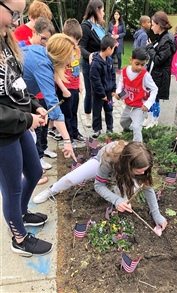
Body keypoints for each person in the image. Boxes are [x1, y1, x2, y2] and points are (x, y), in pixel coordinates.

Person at [0, 0, 53, 256]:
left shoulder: (7, 41)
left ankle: (20, 214)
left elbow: (17, 85)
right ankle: (19, 237)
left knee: (34, 172)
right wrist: (27, 120)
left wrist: (34, 106)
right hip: (3, 134)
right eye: (14, 13)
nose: (18, 21)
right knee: (12, 188)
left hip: (18, 124)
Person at [33, 140, 167, 231]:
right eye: (139, 171)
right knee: (70, 179)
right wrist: (116, 200)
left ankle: (119, 197)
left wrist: (156, 214)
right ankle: (52, 190)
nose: (143, 173)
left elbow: (148, 187)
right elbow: (98, 185)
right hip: (102, 161)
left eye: (144, 170)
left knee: (126, 196)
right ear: (128, 165)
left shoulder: (141, 164)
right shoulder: (108, 160)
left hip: (125, 171)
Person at [22, 33, 77, 162]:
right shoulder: (42, 65)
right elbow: (53, 106)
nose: (71, 60)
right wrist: (67, 141)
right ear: (62, 56)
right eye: (70, 56)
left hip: (24, 98)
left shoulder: (42, 51)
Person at [19, 17, 57, 173]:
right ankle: (33, 161)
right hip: (25, 100)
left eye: (48, 41)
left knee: (41, 128)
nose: (45, 44)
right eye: (43, 39)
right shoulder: (24, 50)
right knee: (32, 131)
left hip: (36, 97)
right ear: (34, 32)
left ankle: (40, 153)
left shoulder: (44, 56)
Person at [115, 47, 158, 142]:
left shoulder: (145, 75)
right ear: (131, 60)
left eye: (143, 65)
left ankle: (137, 147)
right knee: (123, 122)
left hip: (140, 107)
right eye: (137, 64)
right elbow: (121, 82)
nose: (139, 67)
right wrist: (118, 92)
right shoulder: (125, 71)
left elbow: (154, 89)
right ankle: (128, 135)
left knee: (136, 126)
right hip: (128, 105)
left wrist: (148, 104)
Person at [56, 18, 85, 145]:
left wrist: (80, 83)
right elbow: (56, 73)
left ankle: (75, 131)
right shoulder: (62, 51)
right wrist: (63, 89)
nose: (76, 43)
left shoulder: (77, 50)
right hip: (65, 88)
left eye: (78, 40)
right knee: (66, 113)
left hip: (74, 87)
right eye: (74, 39)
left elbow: (77, 68)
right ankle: (67, 135)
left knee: (74, 111)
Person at [145, 11, 176, 128]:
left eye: (153, 24)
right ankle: (149, 118)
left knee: (155, 97)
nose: (152, 27)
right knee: (149, 96)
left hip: (160, 75)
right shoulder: (161, 37)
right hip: (154, 73)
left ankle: (154, 121)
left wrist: (149, 48)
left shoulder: (168, 40)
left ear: (159, 24)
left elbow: (159, 59)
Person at [79, 0, 105, 128]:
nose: (104, 13)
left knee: (99, 90)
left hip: (101, 64)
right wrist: (89, 55)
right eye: (102, 10)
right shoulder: (85, 26)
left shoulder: (100, 27)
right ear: (96, 10)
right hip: (89, 64)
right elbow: (81, 46)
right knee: (90, 92)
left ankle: (97, 114)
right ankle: (88, 116)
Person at [90, 35, 116, 138]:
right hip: (98, 94)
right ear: (108, 48)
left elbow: (113, 75)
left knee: (109, 110)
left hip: (109, 93)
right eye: (113, 48)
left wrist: (113, 89)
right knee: (97, 111)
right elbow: (95, 80)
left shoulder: (109, 60)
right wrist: (101, 94)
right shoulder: (96, 63)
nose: (113, 51)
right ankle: (97, 129)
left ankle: (110, 128)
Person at [107, 10, 126, 74]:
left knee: (119, 56)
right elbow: (108, 32)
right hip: (112, 41)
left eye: (117, 14)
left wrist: (118, 35)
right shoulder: (111, 23)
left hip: (119, 42)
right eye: (115, 14)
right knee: (110, 55)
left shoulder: (122, 23)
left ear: (119, 15)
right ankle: (110, 68)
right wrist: (111, 35)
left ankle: (119, 69)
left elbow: (124, 32)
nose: (116, 15)